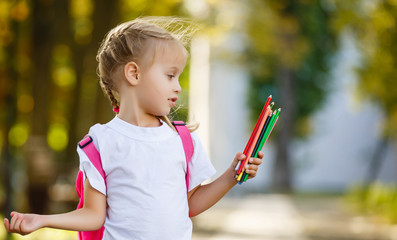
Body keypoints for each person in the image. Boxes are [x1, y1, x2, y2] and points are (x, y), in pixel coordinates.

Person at [3, 16, 264, 239]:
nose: (178, 87)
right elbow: (93, 215)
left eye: (179, 77)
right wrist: (42, 220)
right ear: (134, 74)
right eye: (170, 75)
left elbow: (190, 204)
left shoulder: (182, 139)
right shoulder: (101, 142)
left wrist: (232, 175)